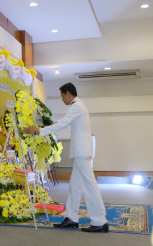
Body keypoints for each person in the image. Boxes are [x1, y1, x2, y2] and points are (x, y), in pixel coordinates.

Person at [23, 83, 108, 233]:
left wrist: (37, 131)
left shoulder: (77, 106)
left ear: (68, 94)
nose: (62, 99)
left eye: (62, 96)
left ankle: (100, 221)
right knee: (74, 186)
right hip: (81, 151)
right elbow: (63, 123)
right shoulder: (77, 106)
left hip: (82, 152)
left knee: (89, 186)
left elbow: (61, 124)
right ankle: (71, 218)